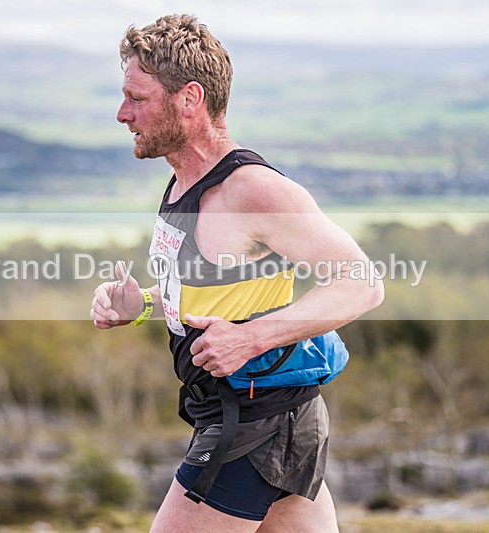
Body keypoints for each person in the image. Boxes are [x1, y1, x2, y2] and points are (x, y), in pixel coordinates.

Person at [90, 14, 384, 532]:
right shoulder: (185, 183)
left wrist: (249, 341)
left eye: (137, 98)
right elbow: (218, 291)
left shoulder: (253, 191)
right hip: (267, 418)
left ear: (189, 99)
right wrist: (143, 306)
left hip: (255, 423)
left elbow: (362, 282)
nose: (121, 113)